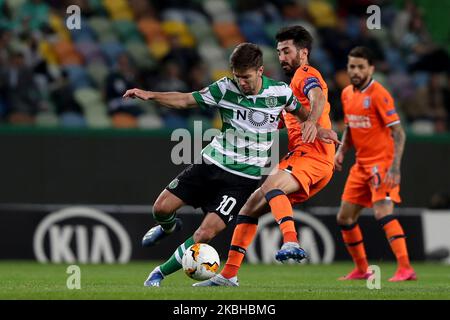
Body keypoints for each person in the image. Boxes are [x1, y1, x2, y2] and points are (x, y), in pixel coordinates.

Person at [123, 42, 338, 287]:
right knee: (160, 209)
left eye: (246, 78)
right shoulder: (225, 88)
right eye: (237, 77)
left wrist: (319, 129)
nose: (242, 83)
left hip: (241, 181)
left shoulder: (280, 92)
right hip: (211, 163)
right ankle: (169, 227)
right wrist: (150, 95)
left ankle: (158, 274)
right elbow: (185, 100)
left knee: (205, 234)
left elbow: (300, 113)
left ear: (260, 71)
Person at [194, 25, 339, 287]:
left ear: (303, 53)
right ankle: (229, 275)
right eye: (279, 52)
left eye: (286, 51)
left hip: (312, 156)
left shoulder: (305, 74)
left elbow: (317, 96)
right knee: (248, 209)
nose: (281, 57)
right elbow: (283, 119)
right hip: (307, 157)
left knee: (272, 184)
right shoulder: (286, 90)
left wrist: (313, 122)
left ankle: (291, 241)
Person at [334, 46, 416, 282]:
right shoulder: (347, 93)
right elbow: (350, 126)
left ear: (371, 68)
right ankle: (362, 269)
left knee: (382, 213)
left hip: (382, 164)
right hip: (360, 166)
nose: (356, 71)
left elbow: (399, 133)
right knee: (345, 217)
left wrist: (395, 168)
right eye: (352, 66)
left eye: (361, 67)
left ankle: (405, 268)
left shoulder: (379, 93)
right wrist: (341, 151)